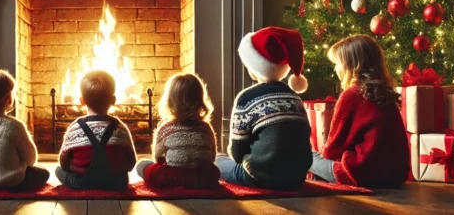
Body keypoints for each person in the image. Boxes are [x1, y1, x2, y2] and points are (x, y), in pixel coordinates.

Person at [215, 27, 312, 191]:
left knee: (217, 160)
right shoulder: (295, 97)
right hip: (296, 178)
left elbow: (237, 153)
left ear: (255, 67)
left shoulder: (247, 98)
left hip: (259, 177)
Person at [310, 35, 409, 188]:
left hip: (361, 174)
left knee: (308, 156)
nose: (336, 69)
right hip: (395, 176)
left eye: (337, 63)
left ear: (350, 64)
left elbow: (331, 150)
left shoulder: (352, 94)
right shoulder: (384, 93)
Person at [55, 70, 136, 190]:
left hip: (82, 183)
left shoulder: (74, 127)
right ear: (113, 100)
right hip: (117, 183)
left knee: (58, 170)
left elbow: (64, 163)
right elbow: (131, 163)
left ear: (81, 100)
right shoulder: (120, 127)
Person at [135, 73, 219, 189]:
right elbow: (212, 157)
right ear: (199, 100)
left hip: (173, 178)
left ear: (170, 101)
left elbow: (158, 158)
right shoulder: (206, 128)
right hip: (203, 179)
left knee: (142, 164)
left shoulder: (166, 129)